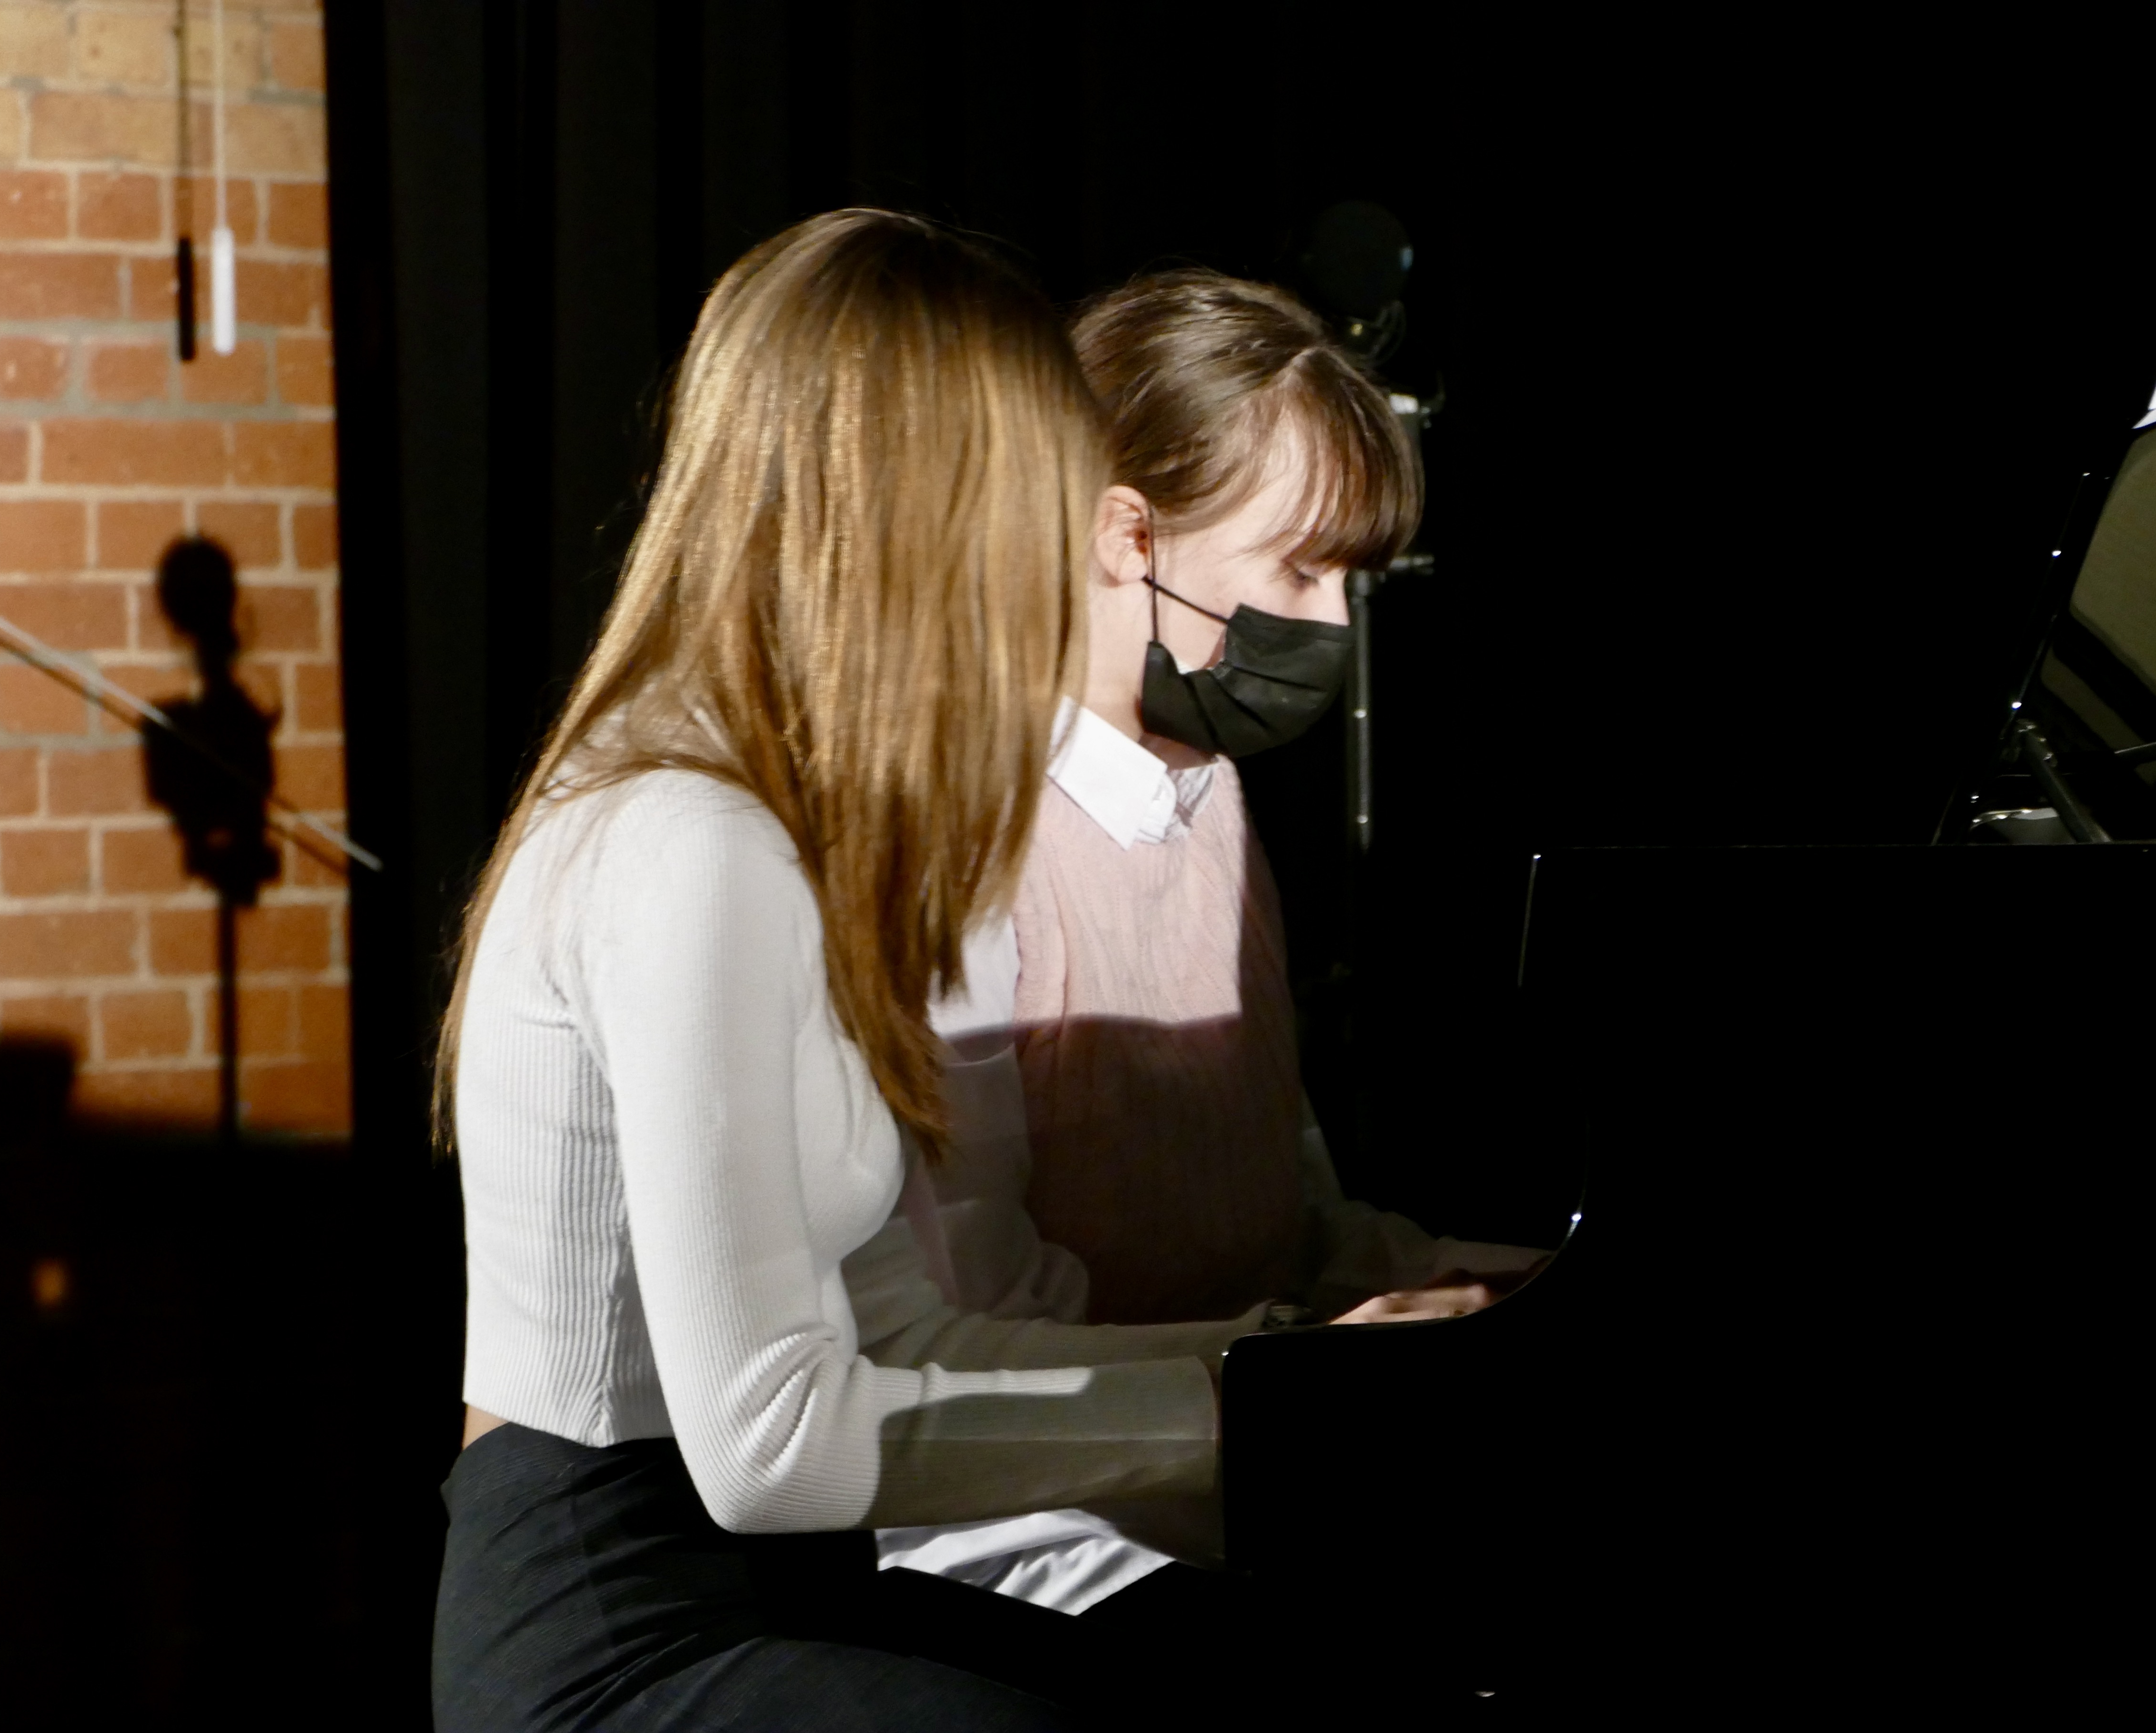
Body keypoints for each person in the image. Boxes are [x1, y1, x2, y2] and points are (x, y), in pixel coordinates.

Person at [431, 214, 1289, 1733]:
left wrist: (1281, 1371)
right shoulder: (687, 840)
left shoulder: (785, 835)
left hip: (783, 1593)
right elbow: (771, 1450)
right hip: (617, 1632)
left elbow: (897, 1343)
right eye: (1033, 510)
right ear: (919, 512)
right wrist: (1228, 1417)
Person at [874, 272, 1546, 1619]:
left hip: (1248, 1467)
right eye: (1299, 569)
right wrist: (1305, 1358)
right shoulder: (965, 844)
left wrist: (1490, 1287)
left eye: (1351, 580)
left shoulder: (1213, 803)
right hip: (1039, 1538)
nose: (1334, 627)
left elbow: (1281, 1226)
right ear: (1127, 536)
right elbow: (976, 1337)